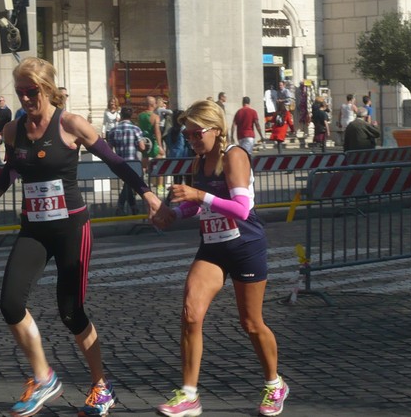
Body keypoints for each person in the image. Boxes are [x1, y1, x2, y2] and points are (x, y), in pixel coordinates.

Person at [0, 57, 168, 417]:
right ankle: (44, 378)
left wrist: (148, 195)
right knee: (11, 303)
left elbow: (115, 161)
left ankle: (100, 386)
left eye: (32, 92)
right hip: (34, 228)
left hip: (72, 228)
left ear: (47, 89)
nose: (26, 98)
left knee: (71, 311)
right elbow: (10, 169)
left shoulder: (70, 124)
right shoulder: (13, 130)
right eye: (20, 92)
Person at [153, 99, 288, 417]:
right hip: (213, 247)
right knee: (190, 314)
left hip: (246, 246)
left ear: (216, 129)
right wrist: (172, 213)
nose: (192, 140)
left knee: (251, 323)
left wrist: (199, 195)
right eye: (187, 135)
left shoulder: (234, 156)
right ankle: (188, 395)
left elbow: (241, 209)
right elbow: (200, 207)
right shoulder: (199, 163)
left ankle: (274, 384)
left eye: (197, 133)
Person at [107, 107, 145, 215]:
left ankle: (132, 207)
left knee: (127, 184)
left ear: (121, 115)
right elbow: (142, 147)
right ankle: (122, 206)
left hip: (119, 162)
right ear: (131, 115)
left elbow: (109, 149)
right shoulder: (136, 129)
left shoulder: (113, 130)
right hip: (133, 162)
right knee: (129, 184)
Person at [138, 95, 166, 193]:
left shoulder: (140, 116)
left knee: (143, 165)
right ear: (152, 104)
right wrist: (160, 145)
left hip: (145, 143)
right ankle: (160, 187)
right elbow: (157, 132)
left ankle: (140, 185)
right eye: (154, 103)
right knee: (159, 164)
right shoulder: (155, 117)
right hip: (153, 143)